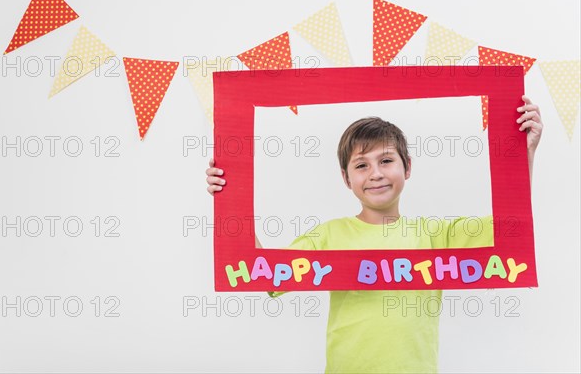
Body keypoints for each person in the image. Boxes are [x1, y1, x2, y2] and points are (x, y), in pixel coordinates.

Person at [205, 96, 543, 373]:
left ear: (407, 167)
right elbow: (265, 275)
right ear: (346, 178)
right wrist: (230, 199)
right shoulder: (329, 235)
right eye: (362, 165)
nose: (376, 174)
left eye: (386, 160)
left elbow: (507, 228)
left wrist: (522, 153)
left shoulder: (435, 234)